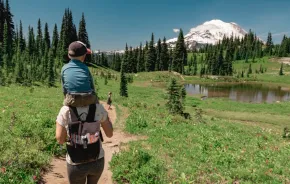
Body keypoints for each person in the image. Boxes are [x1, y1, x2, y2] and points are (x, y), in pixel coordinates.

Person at [55, 103, 113, 184]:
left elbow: (60, 140)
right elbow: (109, 134)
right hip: (97, 159)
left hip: (75, 163)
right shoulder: (98, 107)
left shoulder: (65, 110)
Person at [61, 41, 98, 107]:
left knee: (63, 111)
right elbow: (92, 86)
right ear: (83, 56)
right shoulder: (85, 68)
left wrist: (66, 98)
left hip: (72, 99)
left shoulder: (64, 68)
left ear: (69, 55)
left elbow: (64, 89)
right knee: (98, 107)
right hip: (88, 98)